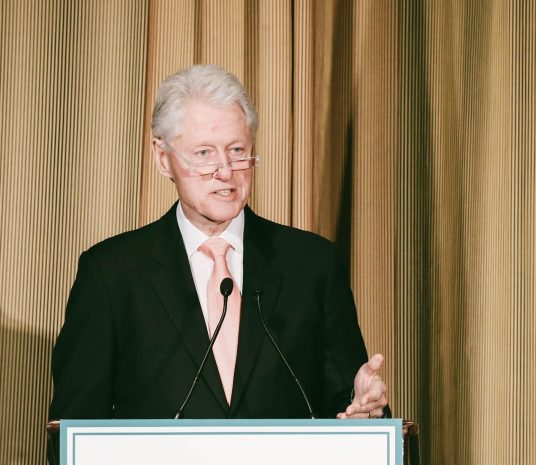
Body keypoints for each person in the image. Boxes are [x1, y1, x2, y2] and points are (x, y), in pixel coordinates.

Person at [48, 65, 388, 425]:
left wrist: (365, 410)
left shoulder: (312, 264)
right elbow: (75, 433)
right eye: (204, 153)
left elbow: (348, 404)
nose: (225, 171)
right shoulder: (111, 273)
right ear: (163, 158)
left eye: (237, 149)